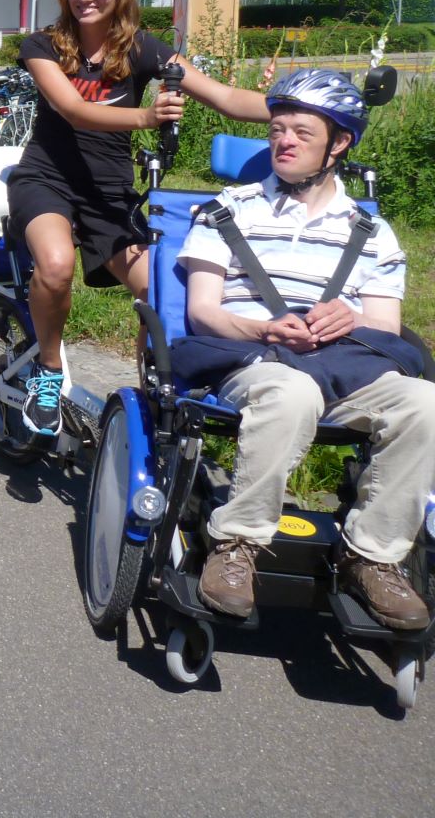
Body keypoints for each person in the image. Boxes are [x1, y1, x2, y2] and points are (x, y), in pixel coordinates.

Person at [179, 69, 435, 630]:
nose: (283, 141)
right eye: (276, 130)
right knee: (289, 390)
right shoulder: (228, 210)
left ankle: (373, 555)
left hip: (343, 364)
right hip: (252, 360)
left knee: (424, 402)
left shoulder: (372, 231)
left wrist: (353, 317)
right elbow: (202, 310)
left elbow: (387, 327)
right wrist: (265, 331)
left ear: (339, 143)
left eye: (300, 132)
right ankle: (237, 546)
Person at [9, 0, 269, 434]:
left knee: (162, 290)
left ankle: (155, 393)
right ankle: (48, 366)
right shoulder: (41, 46)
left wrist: (299, 106)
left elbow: (226, 97)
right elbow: (72, 109)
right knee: (57, 266)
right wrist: (147, 116)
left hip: (110, 193)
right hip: (47, 180)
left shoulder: (143, 49)